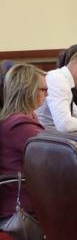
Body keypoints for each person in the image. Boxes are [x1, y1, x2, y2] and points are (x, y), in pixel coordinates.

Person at [0, 64, 47, 217]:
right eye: (43, 89)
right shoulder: (19, 125)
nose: (47, 94)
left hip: (29, 190)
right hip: (21, 204)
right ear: (28, 91)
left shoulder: (24, 116)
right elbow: (51, 155)